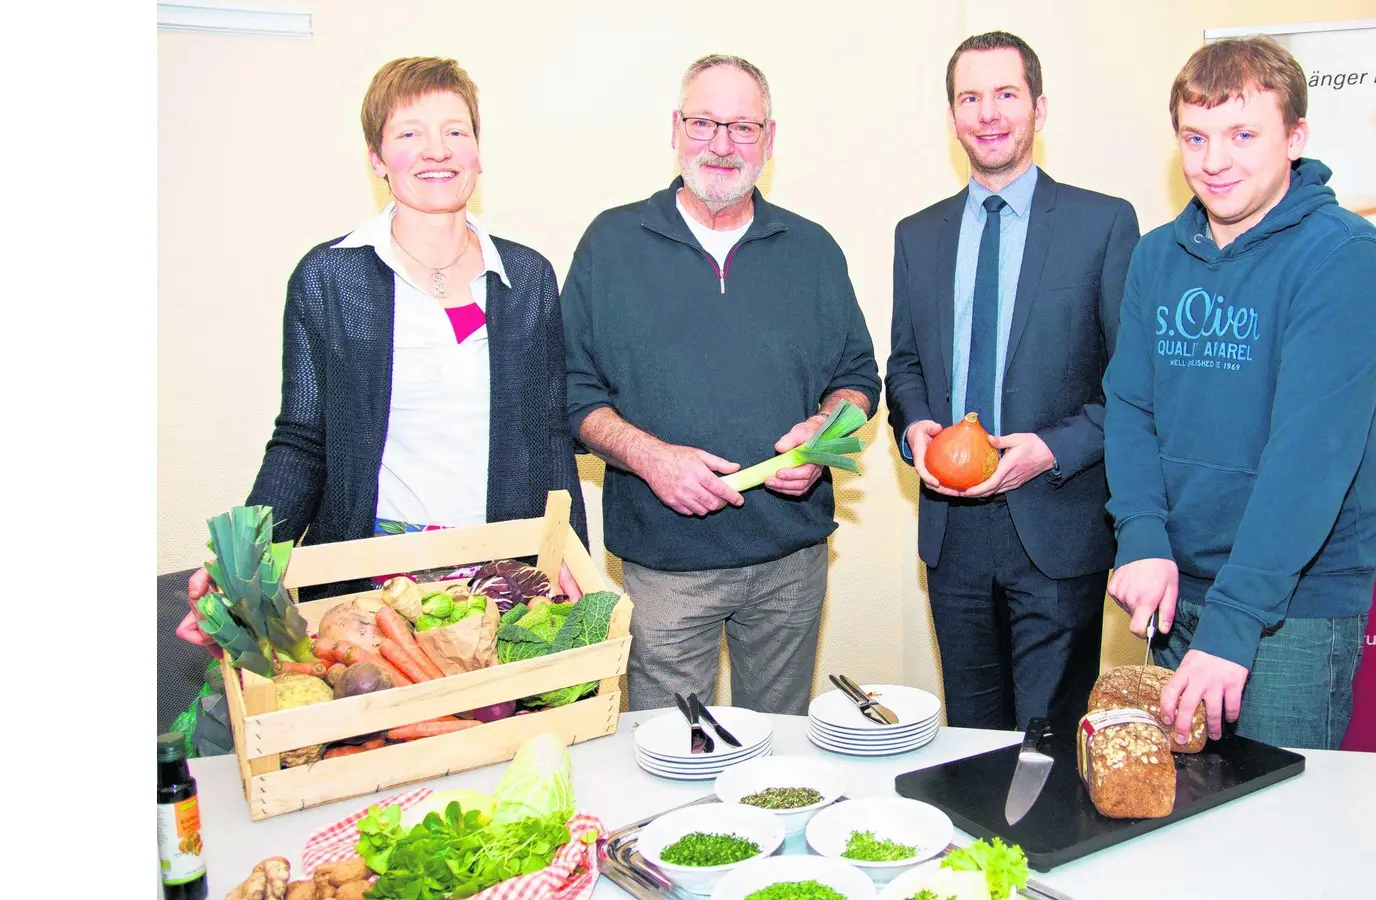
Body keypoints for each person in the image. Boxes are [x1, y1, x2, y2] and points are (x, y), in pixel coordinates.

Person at [177, 56, 586, 658]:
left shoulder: (525, 277)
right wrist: (244, 565)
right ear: (376, 158)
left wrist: (567, 554)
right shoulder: (329, 277)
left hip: (502, 579)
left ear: (477, 149)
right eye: (409, 134)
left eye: (455, 131)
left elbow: (549, 436)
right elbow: (301, 438)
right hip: (371, 583)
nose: (436, 151)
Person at [562, 54, 880, 715]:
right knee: (675, 753)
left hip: (791, 561)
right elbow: (571, 388)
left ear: (769, 139)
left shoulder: (813, 250)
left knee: (778, 753)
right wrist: (652, 458)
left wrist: (825, 435)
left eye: (742, 126)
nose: (722, 144)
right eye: (705, 122)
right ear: (675, 128)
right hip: (665, 567)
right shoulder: (611, 243)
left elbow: (856, 378)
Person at [1102, 35, 1376, 751]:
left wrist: (1234, 623)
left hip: (1293, 604)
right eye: (1194, 137)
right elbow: (1131, 406)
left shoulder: (1344, 256)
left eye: (1242, 134)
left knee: (1277, 830)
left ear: (1295, 137)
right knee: (1179, 815)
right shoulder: (1156, 255)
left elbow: (1310, 455)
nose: (1214, 160)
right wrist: (1141, 536)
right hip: (1178, 591)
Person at [885, 31, 1139, 731]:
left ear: (1039, 108)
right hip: (952, 534)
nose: (988, 114)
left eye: (1005, 94)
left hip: (1058, 523)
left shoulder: (1103, 224)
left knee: (1048, 747)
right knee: (968, 738)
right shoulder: (918, 234)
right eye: (970, 97)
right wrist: (914, 429)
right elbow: (903, 364)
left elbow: (1133, 384)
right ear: (952, 115)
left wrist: (1051, 449)